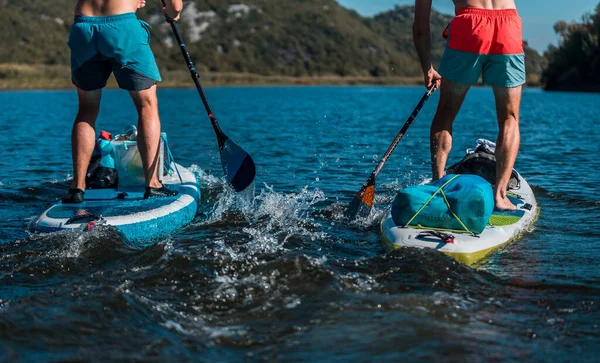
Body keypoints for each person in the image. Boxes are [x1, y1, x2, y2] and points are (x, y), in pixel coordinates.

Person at [62, 0, 183, 203]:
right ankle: (152, 183)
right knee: (147, 106)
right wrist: (171, 13)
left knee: (87, 110)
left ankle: (77, 188)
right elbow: (175, 5)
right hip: (122, 27)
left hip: (83, 28)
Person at [413, 0, 525, 210]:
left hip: (469, 28)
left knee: (446, 112)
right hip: (509, 25)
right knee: (510, 118)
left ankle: (439, 186)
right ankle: (500, 196)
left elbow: (420, 29)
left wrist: (427, 68)